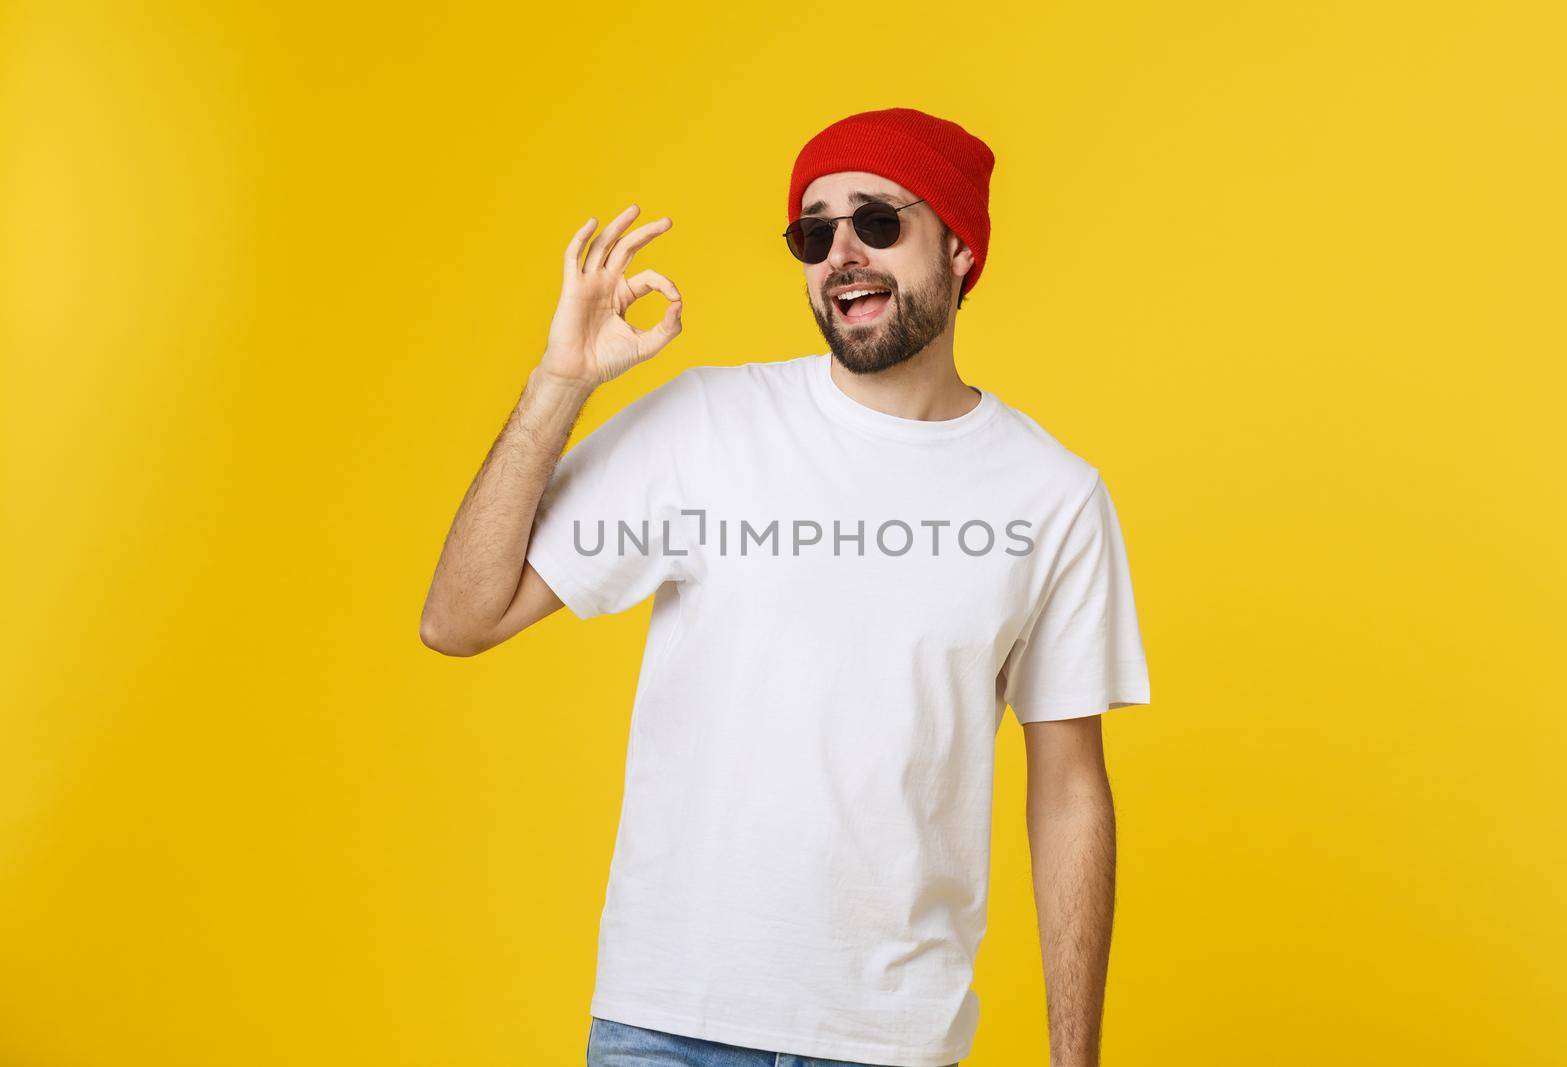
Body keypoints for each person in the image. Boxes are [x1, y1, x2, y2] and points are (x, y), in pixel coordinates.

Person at [420, 106, 1152, 1067]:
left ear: (962, 249)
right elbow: (459, 617)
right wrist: (562, 380)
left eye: (878, 222)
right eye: (815, 232)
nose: (841, 252)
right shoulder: (708, 424)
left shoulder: (1052, 495)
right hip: (665, 1027)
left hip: (890, 1042)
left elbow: (1069, 793)